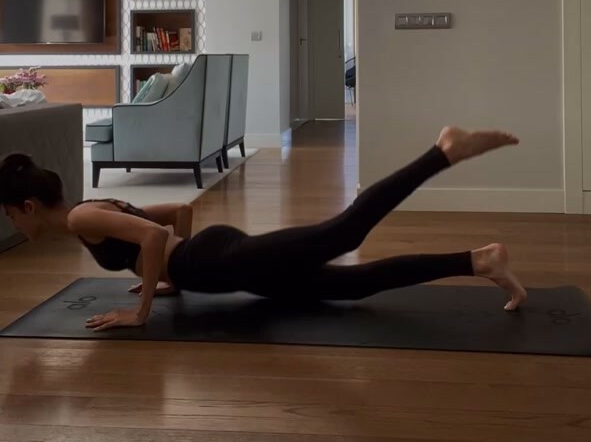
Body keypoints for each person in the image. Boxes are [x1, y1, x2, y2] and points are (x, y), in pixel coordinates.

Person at [0, 127, 526, 331]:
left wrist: (140, 313)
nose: (10, 222)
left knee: (344, 233)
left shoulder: (81, 218)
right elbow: (177, 212)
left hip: (220, 262)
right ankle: (479, 261)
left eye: (10, 213)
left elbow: (155, 237)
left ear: (28, 205)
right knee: (354, 285)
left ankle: (443, 152)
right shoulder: (90, 210)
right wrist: (171, 280)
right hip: (215, 259)